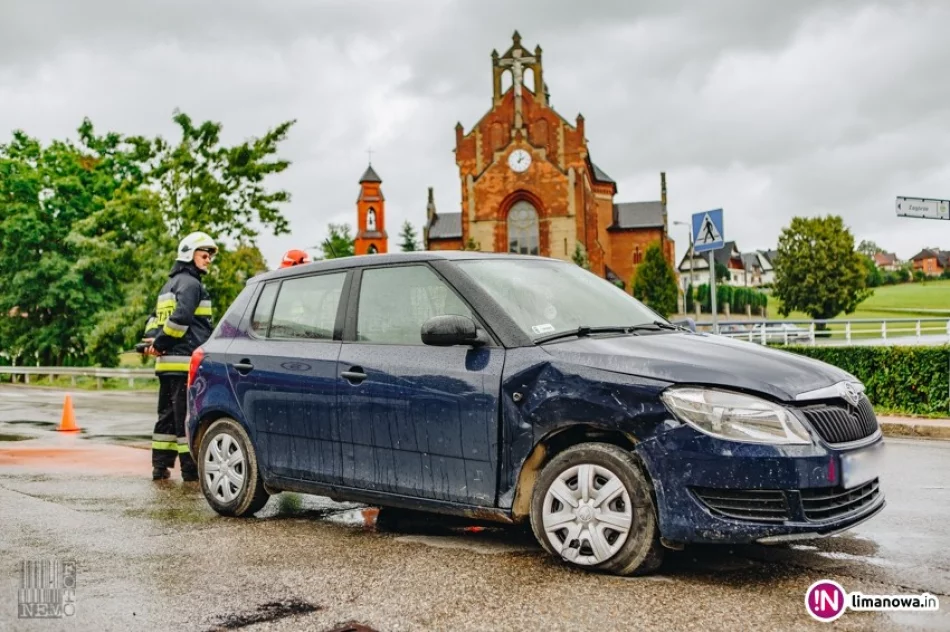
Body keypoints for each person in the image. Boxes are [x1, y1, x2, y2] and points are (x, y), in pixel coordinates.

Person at [141, 231, 217, 482]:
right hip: (185, 365)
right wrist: (160, 342)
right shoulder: (192, 285)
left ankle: (160, 467)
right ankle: (190, 471)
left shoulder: (168, 286)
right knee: (186, 418)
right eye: (204, 255)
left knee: (166, 417)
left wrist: (153, 342)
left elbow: (153, 320)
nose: (208, 260)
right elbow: (181, 319)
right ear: (189, 254)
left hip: (166, 365)